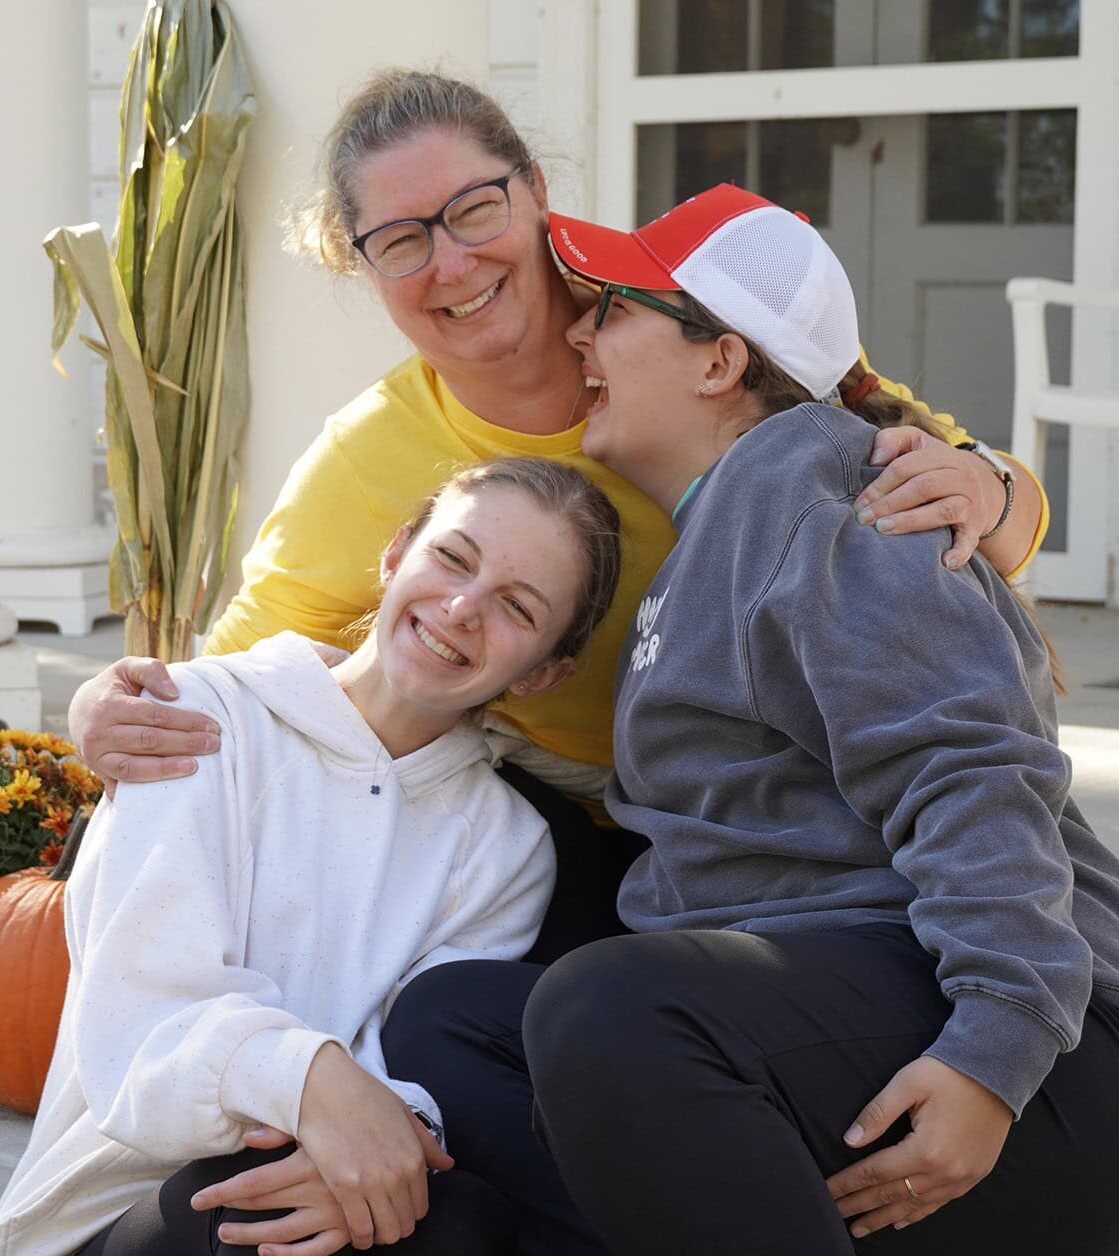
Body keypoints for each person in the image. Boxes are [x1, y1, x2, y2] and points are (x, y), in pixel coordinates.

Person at [69, 69, 1050, 968]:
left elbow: (933, 474)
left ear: (534, 190)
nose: (451, 263)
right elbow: (228, 679)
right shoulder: (367, 454)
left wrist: (990, 490)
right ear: (362, 266)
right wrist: (103, 710)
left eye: (473, 210)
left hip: (801, 813)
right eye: (401, 241)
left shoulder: (675, 321)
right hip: (577, 822)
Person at [485, 186, 1119, 1256]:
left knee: (605, 1008)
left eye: (614, 310)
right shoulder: (713, 532)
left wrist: (995, 1047)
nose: (579, 335)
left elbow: (967, 764)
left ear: (719, 361)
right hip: (846, 1024)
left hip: (1028, 1066)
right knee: (453, 1019)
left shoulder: (813, 486)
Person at [0, 458, 623, 1256]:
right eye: (453, 558)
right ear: (396, 553)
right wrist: (307, 1081)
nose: (463, 608)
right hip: (115, 1215)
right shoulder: (196, 722)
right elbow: (140, 1024)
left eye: (518, 608)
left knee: (457, 1223)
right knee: (274, 1216)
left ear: (544, 672)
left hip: (333, 1184)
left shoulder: (506, 845)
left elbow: (419, 1069)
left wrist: (367, 1137)